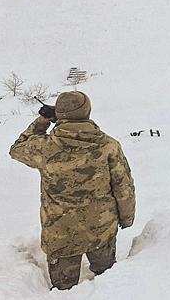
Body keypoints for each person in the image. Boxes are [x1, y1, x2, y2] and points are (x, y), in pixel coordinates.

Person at [9, 91, 136, 290]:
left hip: (61, 235)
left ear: (59, 114)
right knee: (110, 284)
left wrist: (43, 121)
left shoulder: (45, 148)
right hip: (101, 230)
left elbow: (17, 149)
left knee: (64, 292)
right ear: (87, 111)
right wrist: (127, 217)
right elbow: (123, 187)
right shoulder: (109, 145)